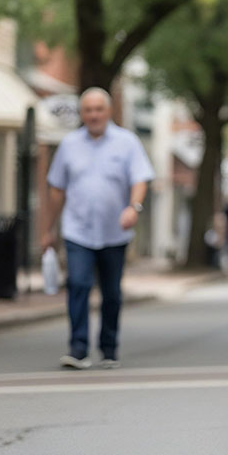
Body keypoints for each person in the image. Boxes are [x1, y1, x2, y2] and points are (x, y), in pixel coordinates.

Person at [43, 88, 154, 370]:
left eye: (98, 109)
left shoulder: (127, 142)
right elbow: (56, 189)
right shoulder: (68, 144)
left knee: (111, 293)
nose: (93, 115)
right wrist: (48, 228)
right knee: (78, 284)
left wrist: (134, 207)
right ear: (82, 114)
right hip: (77, 230)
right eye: (88, 110)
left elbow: (140, 178)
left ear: (109, 111)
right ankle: (78, 349)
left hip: (114, 233)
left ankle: (108, 349)